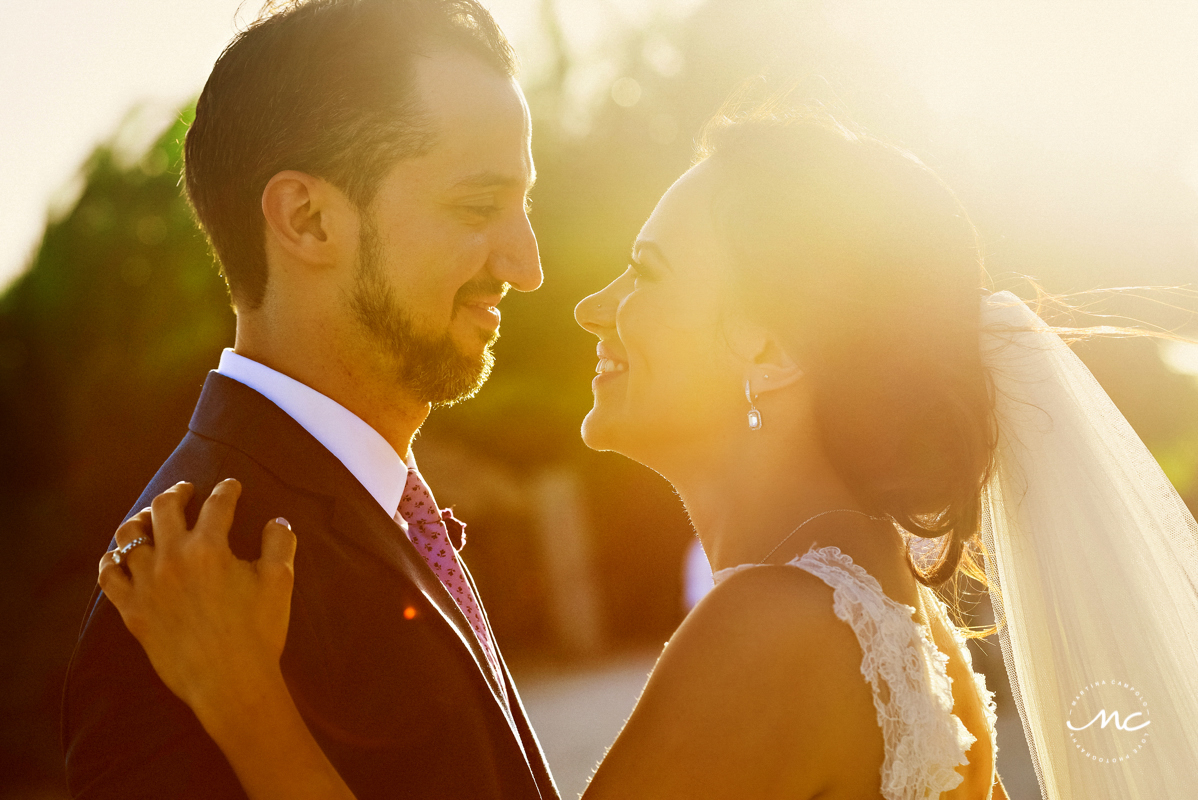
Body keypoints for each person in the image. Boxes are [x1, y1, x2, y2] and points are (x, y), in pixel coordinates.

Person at [97, 107, 1198, 797]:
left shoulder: (771, 633)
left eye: (650, 274)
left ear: (765, 345)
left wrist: (245, 708)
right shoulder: (909, 640)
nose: (589, 307)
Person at [61, 2, 558, 799]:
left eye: (523, 205)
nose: (528, 265)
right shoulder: (189, 585)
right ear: (309, 219)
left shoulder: (383, 508)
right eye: (477, 206)